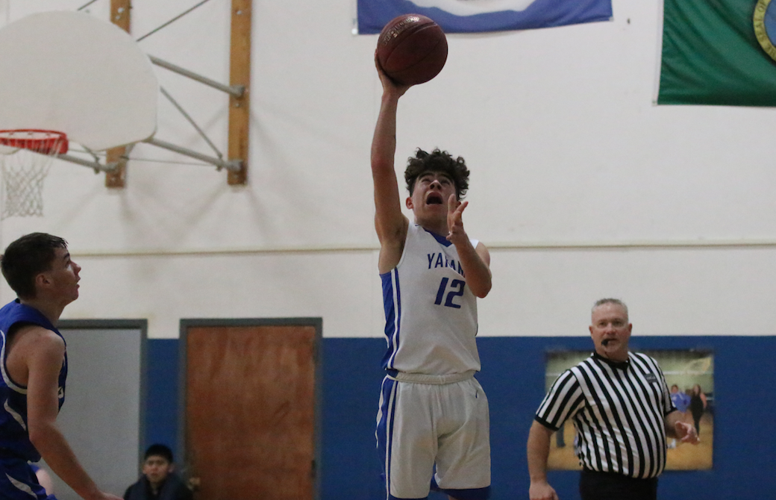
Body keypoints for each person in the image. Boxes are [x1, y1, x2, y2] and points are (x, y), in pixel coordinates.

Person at [371, 56, 493, 500]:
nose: (435, 184)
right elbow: (381, 166)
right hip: (410, 389)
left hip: (463, 387)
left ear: (456, 198)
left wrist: (459, 237)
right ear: (410, 198)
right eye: (426, 180)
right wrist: (391, 96)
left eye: (444, 181)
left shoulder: (473, 246)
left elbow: (482, 286)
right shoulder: (399, 238)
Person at [526, 298, 699, 500]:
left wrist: (680, 428)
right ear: (592, 332)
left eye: (617, 323)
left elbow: (668, 414)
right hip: (606, 488)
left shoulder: (649, 366)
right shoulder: (578, 378)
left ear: (629, 329)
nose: (610, 330)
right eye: (602, 324)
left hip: (648, 487)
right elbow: (541, 427)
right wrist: (538, 482)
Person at [0, 233, 122, 500]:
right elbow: (42, 431)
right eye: (67, 263)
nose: (77, 268)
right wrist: (93, 494)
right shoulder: (44, 343)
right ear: (44, 281)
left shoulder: (5, 316)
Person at [123, 444, 192, 500]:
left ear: (170, 468)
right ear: (143, 468)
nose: (154, 468)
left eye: (160, 463)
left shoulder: (181, 492)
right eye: (150, 463)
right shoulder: (132, 491)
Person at [668, 384, 691, 449]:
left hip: (679, 414)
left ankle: (675, 442)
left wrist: (683, 410)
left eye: (675, 389)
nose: (674, 390)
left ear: (677, 389)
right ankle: (674, 442)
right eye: (673, 389)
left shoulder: (681, 395)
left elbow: (688, 400)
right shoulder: (669, 396)